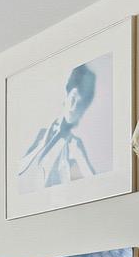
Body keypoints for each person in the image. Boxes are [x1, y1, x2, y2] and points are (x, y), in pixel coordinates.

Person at [16, 62, 102, 190]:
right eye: (74, 99)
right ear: (68, 95)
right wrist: (41, 145)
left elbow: (95, 186)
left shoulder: (74, 146)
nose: (75, 108)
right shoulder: (41, 134)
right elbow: (18, 171)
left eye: (82, 103)